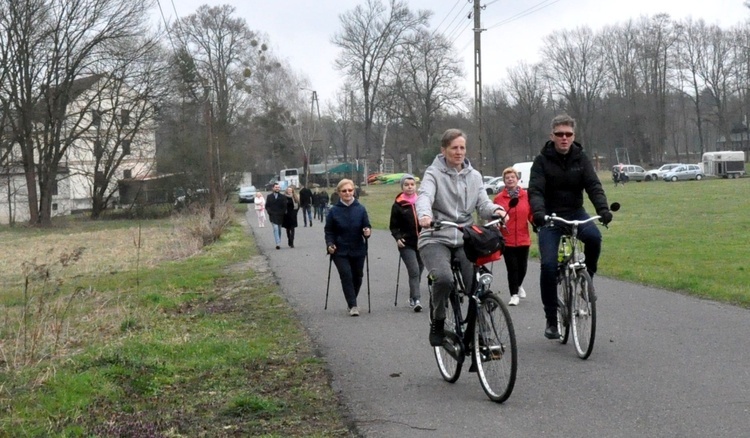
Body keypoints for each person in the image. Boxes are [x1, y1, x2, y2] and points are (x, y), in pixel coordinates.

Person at [417, 129, 507, 346]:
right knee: (444, 278)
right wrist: (425, 215)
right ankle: (438, 320)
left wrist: (497, 210)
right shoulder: (433, 174)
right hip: (435, 236)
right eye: (454, 148)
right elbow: (425, 196)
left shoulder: (474, 176)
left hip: (464, 238)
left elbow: (483, 205)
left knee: (477, 287)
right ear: (444, 150)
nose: (459, 152)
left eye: (462, 148)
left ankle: (484, 334)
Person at [528, 114, 613, 340]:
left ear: (573, 136)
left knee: (594, 238)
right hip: (551, 217)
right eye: (559, 134)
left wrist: (603, 210)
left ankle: (587, 281)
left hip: (576, 213)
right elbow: (535, 190)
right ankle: (551, 319)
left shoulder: (580, 158)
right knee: (547, 266)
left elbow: (593, 185)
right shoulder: (541, 161)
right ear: (552, 136)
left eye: (568, 134)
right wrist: (539, 213)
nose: (564, 138)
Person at [325, 179, 372, 317]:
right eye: (344, 191)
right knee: (346, 275)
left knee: (358, 276)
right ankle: (353, 305)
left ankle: (352, 299)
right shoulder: (333, 211)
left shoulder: (361, 209)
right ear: (339, 193)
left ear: (354, 191)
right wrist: (329, 244)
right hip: (340, 250)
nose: (347, 193)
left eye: (350, 190)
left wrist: (367, 231)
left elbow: (367, 225)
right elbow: (329, 231)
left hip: (358, 248)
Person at [493, 167, 533, 306]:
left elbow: (531, 214)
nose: (510, 179)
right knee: (512, 268)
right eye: (507, 178)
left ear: (517, 179)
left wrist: (536, 223)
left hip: (523, 238)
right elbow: (493, 215)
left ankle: (519, 284)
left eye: (512, 177)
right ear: (504, 181)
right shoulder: (499, 198)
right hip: (507, 239)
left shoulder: (526, 196)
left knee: (522, 267)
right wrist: (496, 224)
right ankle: (514, 294)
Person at [389, 174, 424, 312]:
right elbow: (393, 226)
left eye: (412, 184)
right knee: (414, 270)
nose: (410, 187)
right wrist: (398, 237)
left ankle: (412, 295)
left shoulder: (422, 202)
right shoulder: (398, 205)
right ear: (402, 187)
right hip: (406, 244)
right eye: (406, 185)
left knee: (420, 269)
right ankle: (416, 299)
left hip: (423, 242)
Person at [265, 183, 287, 250]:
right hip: (273, 215)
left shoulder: (283, 197)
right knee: (275, 228)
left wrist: (282, 212)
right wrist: (270, 212)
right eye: (276, 187)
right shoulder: (269, 196)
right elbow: (267, 206)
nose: (277, 188)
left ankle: (278, 241)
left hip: (280, 215)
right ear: (273, 188)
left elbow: (284, 206)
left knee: (279, 229)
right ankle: (278, 243)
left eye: (278, 187)